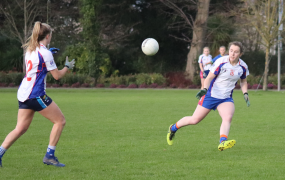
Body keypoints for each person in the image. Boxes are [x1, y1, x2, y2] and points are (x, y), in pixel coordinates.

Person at [0, 22, 75, 167]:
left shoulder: (30, 49)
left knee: (20, 128)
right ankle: (49, 156)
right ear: (48, 36)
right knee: (60, 121)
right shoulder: (45, 53)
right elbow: (57, 76)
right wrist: (67, 67)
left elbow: (38, 67)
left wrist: (48, 55)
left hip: (24, 93)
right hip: (36, 94)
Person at [167, 41, 250, 151]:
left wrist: (245, 93)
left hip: (225, 98)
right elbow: (209, 77)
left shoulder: (243, 66)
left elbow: (243, 81)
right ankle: (173, 128)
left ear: (241, 54)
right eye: (231, 51)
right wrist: (205, 89)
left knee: (228, 117)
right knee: (194, 120)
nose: (232, 54)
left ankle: (222, 142)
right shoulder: (221, 62)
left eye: (236, 52)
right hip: (211, 95)